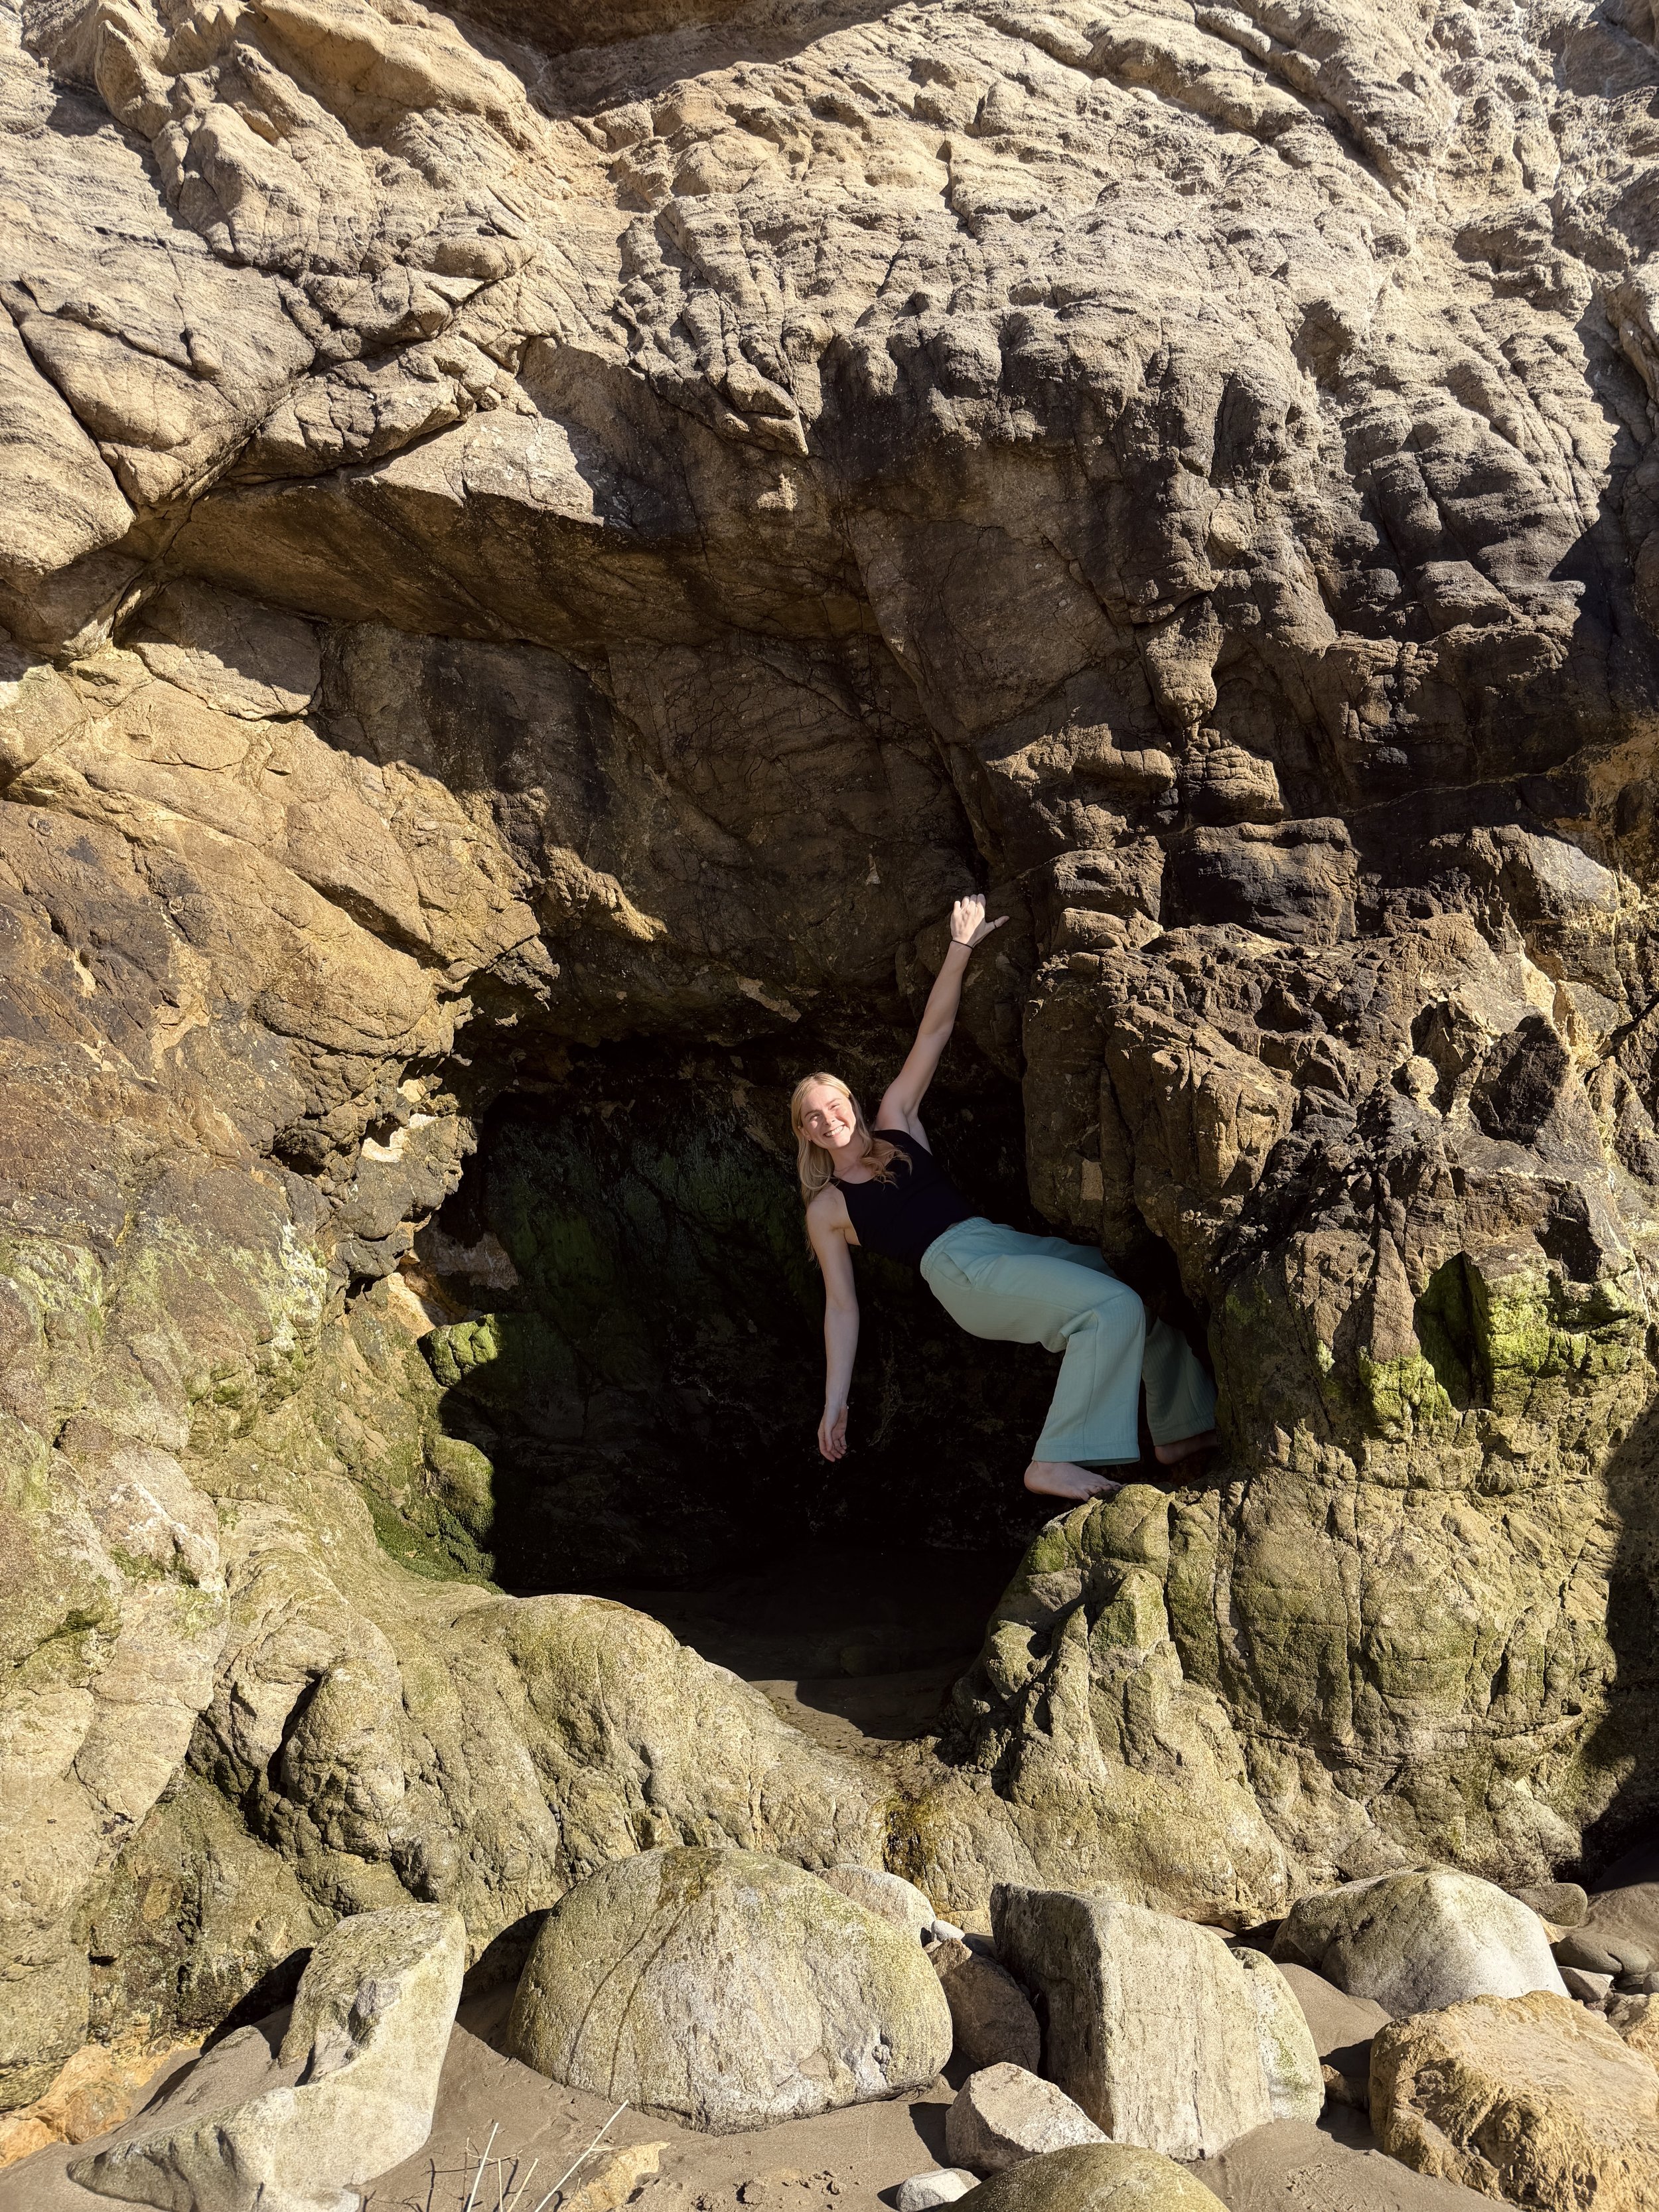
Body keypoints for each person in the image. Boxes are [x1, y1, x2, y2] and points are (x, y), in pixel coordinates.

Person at [790, 893, 1218, 1502]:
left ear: (852, 1104)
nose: (828, 1118)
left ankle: (1179, 1429)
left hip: (993, 1240)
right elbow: (841, 1308)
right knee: (1110, 1308)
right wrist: (836, 1404)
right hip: (959, 1270)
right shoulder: (828, 1208)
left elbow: (934, 1031)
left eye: (834, 1104)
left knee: (1126, 1292)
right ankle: (1054, 1460)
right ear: (806, 1133)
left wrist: (960, 946)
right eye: (813, 1117)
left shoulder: (896, 1119)